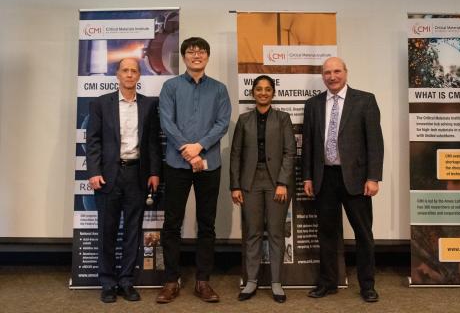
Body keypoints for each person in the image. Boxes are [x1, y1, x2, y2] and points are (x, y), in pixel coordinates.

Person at [302, 57, 384, 303]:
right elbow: (308, 144)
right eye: (327, 72)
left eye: (337, 71)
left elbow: (375, 143)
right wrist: (307, 176)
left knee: (363, 233)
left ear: (346, 72)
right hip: (324, 178)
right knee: (326, 233)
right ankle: (327, 282)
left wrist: (373, 177)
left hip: (357, 179)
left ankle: (367, 285)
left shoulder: (365, 100)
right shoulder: (313, 104)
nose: (332, 76)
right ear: (322, 76)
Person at [156, 37, 231, 304]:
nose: (196, 55)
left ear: (207, 57)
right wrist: (187, 151)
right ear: (184, 57)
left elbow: (222, 123)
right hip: (176, 163)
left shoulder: (219, 89)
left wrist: (199, 146)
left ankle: (203, 281)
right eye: (191, 52)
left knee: (207, 224)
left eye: (201, 52)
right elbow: (166, 121)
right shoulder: (171, 86)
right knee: (172, 224)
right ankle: (171, 281)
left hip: (209, 164)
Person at [86, 58, 161, 303]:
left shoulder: (149, 105)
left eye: (134, 71)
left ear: (139, 76)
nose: (130, 74)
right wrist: (94, 171)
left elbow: (152, 142)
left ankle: (127, 281)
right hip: (108, 176)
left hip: (137, 174)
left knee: (132, 231)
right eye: (125, 70)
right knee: (107, 231)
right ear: (117, 74)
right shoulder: (100, 103)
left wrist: (154, 172)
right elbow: (93, 141)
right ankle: (107, 282)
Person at [230, 75, 296, 303]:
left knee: (277, 233)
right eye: (259, 89)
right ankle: (251, 282)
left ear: (273, 93)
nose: (263, 93)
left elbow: (290, 152)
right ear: (253, 93)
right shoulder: (244, 120)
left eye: (268, 89)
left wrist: (282, 182)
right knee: (253, 233)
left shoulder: (283, 118)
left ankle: (277, 283)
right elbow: (236, 154)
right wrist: (235, 185)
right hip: (249, 184)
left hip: (276, 183)